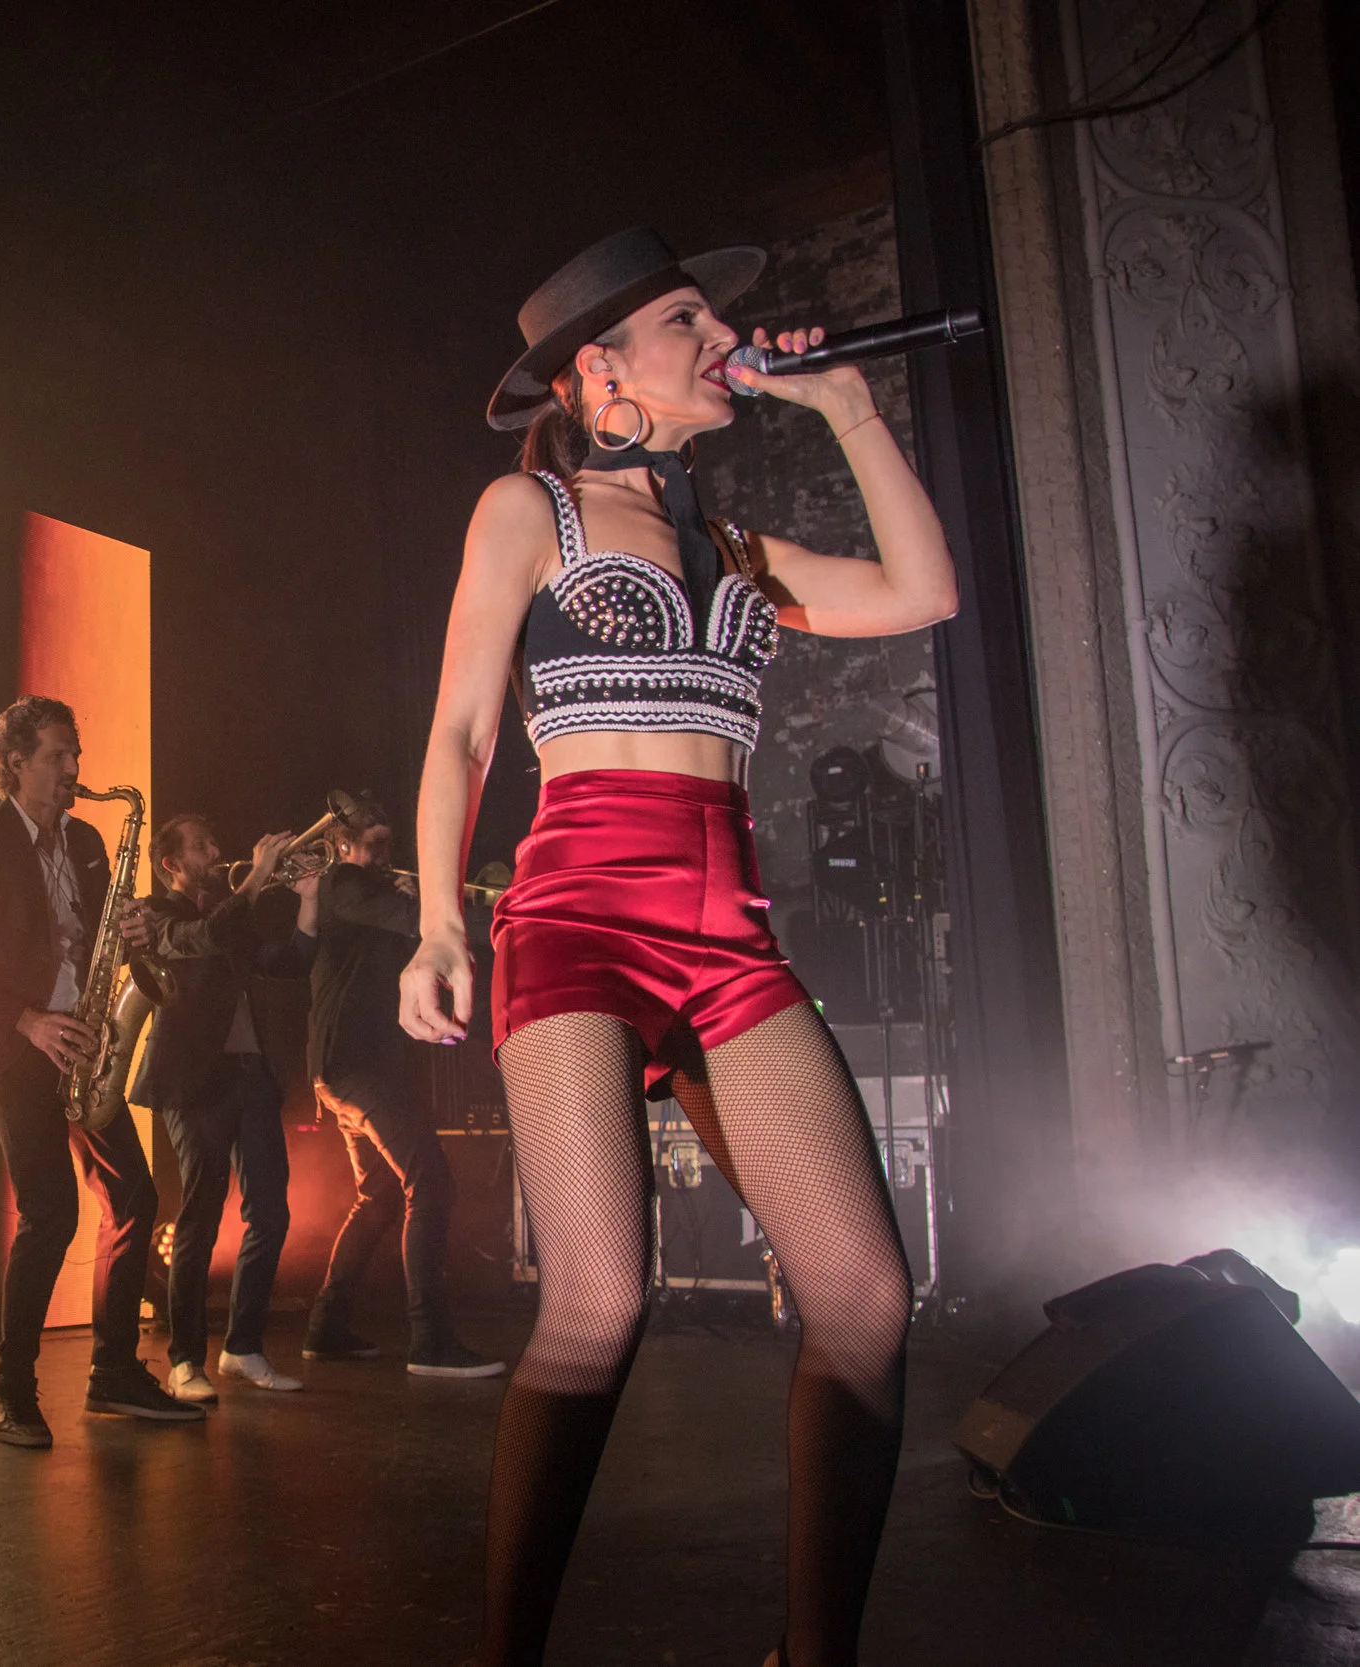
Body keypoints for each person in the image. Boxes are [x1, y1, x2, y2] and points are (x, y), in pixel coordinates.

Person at [401, 227, 957, 1667]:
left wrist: (845, 405)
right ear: (600, 371)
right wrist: (437, 921)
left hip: (727, 935)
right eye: (690, 322)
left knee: (866, 1298)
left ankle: (813, 1652)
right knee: (598, 1298)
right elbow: (461, 729)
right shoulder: (529, 511)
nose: (724, 341)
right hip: (577, 915)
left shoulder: (741, 549)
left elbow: (923, 592)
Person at [0, 695, 203, 1448]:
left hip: (84, 1041)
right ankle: (10, 1389)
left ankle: (113, 1373)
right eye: (58, 756)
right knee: (50, 1212)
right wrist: (27, 1020)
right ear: (15, 763)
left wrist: (137, 932)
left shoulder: (84, 840)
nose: (74, 768)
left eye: (75, 754)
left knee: (134, 1195)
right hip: (19, 1048)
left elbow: (100, 935)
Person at [297, 794, 504, 1379]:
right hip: (353, 1066)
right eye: (376, 844)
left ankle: (327, 1328)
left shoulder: (369, 896)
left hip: (355, 1068)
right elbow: (417, 924)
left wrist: (421, 905)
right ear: (343, 845)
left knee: (380, 1196)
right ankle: (431, 1342)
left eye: (391, 843)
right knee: (430, 1181)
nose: (386, 855)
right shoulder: (342, 883)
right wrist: (502, 925)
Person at [119, 814, 319, 1402]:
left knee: (271, 1212)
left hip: (251, 1075)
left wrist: (309, 900)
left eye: (213, 842)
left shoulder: (232, 915)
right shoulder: (154, 914)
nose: (215, 852)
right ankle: (185, 1360)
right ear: (171, 864)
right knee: (201, 1216)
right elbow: (199, 938)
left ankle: (243, 1348)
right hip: (194, 1080)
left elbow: (290, 961)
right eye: (201, 846)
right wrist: (257, 876)